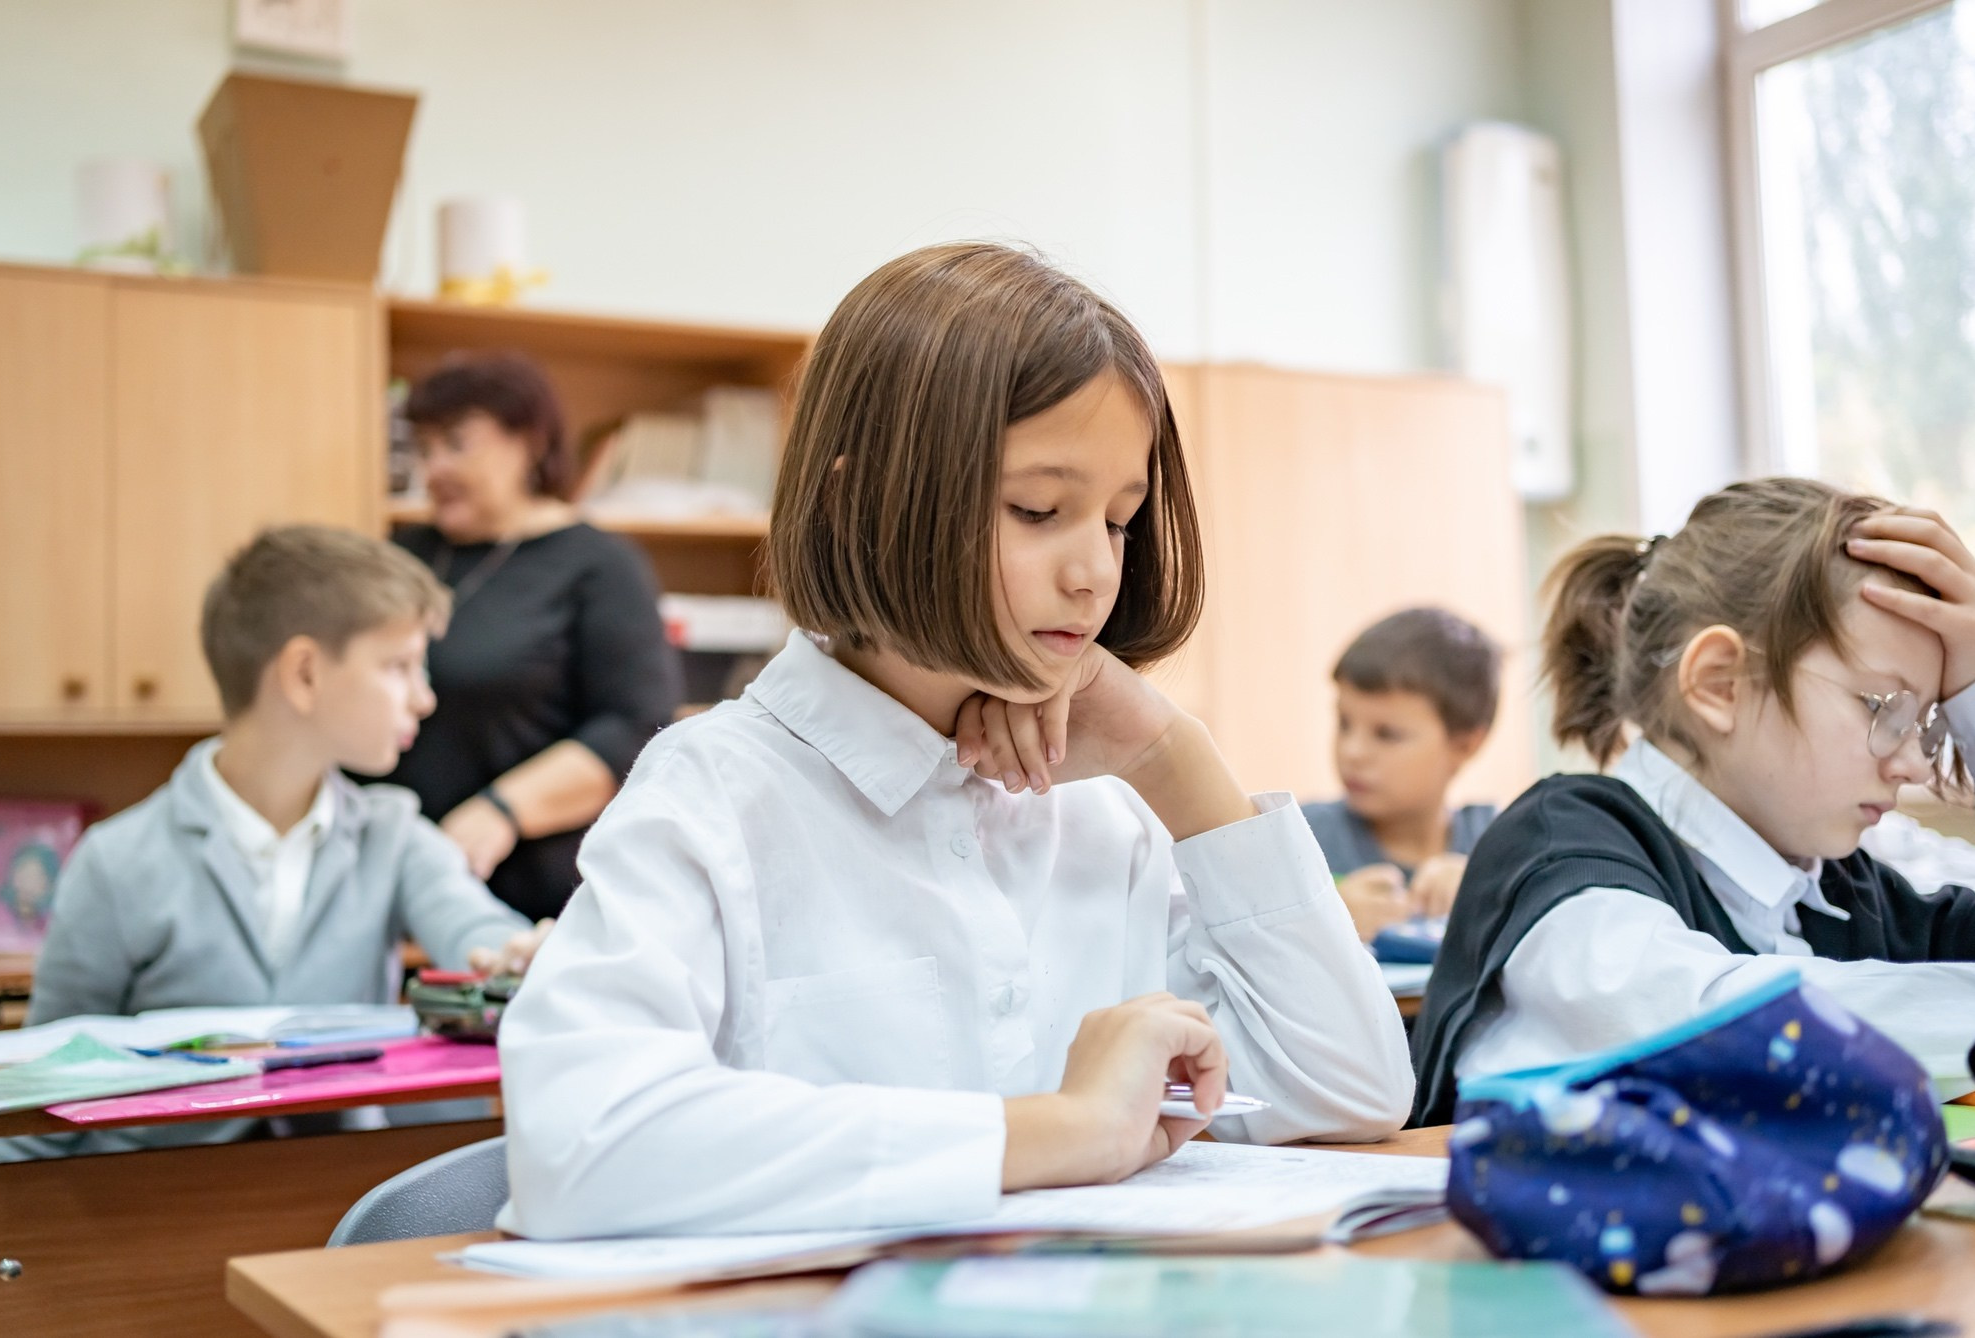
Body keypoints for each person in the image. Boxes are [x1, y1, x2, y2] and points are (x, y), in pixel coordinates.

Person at [497, 242, 1414, 1240]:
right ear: (862, 502)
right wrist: (1059, 1132)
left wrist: (1173, 762)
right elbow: (577, 1143)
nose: (1093, 575)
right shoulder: (713, 794)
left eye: (1118, 521)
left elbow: (1350, 1089)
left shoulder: (1104, 806)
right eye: (1037, 510)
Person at [1410, 479, 1975, 1126]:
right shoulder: (1559, 845)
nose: (1911, 764)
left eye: (1930, 724)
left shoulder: (1840, 892)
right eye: (1885, 710)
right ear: (1719, 683)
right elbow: (1718, 1024)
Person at [0, 527, 547, 1159]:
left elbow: (478, 932)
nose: (424, 698)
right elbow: (36, 1102)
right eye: (399, 667)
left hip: (334, 1210)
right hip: (148, 1217)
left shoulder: (395, 838)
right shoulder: (115, 860)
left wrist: (519, 954)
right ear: (305, 673)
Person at [388, 353, 683, 921]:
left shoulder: (599, 565)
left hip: (537, 896)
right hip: (404, 888)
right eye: (424, 449)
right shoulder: (403, 556)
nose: (435, 468)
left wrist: (499, 812)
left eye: (456, 443)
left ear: (527, 439)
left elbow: (635, 728)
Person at [1300, 608, 1501, 941]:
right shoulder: (1301, 840)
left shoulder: (1499, 848)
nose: (1352, 751)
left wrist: (1488, 892)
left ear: (1465, 745)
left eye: (1387, 734)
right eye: (1344, 724)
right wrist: (1325, 922)